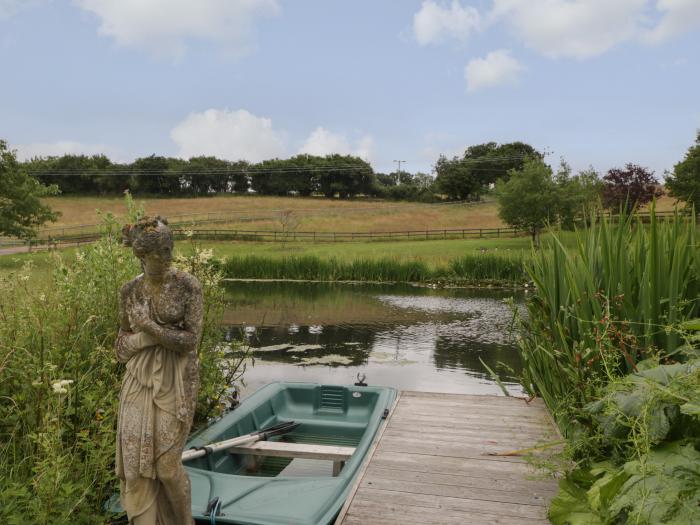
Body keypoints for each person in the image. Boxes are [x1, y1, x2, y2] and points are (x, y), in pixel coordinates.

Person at [115, 216, 202, 525]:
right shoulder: (129, 292)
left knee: (166, 468)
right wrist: (143, 337)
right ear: (141, 256)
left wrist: (150, 328)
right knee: (138, 467)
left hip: (177, 381)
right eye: (159, 252)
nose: (168, 257)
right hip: (138, 382)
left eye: (169, 249)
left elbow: (190, 341)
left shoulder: (186, 286)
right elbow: (121, 348)